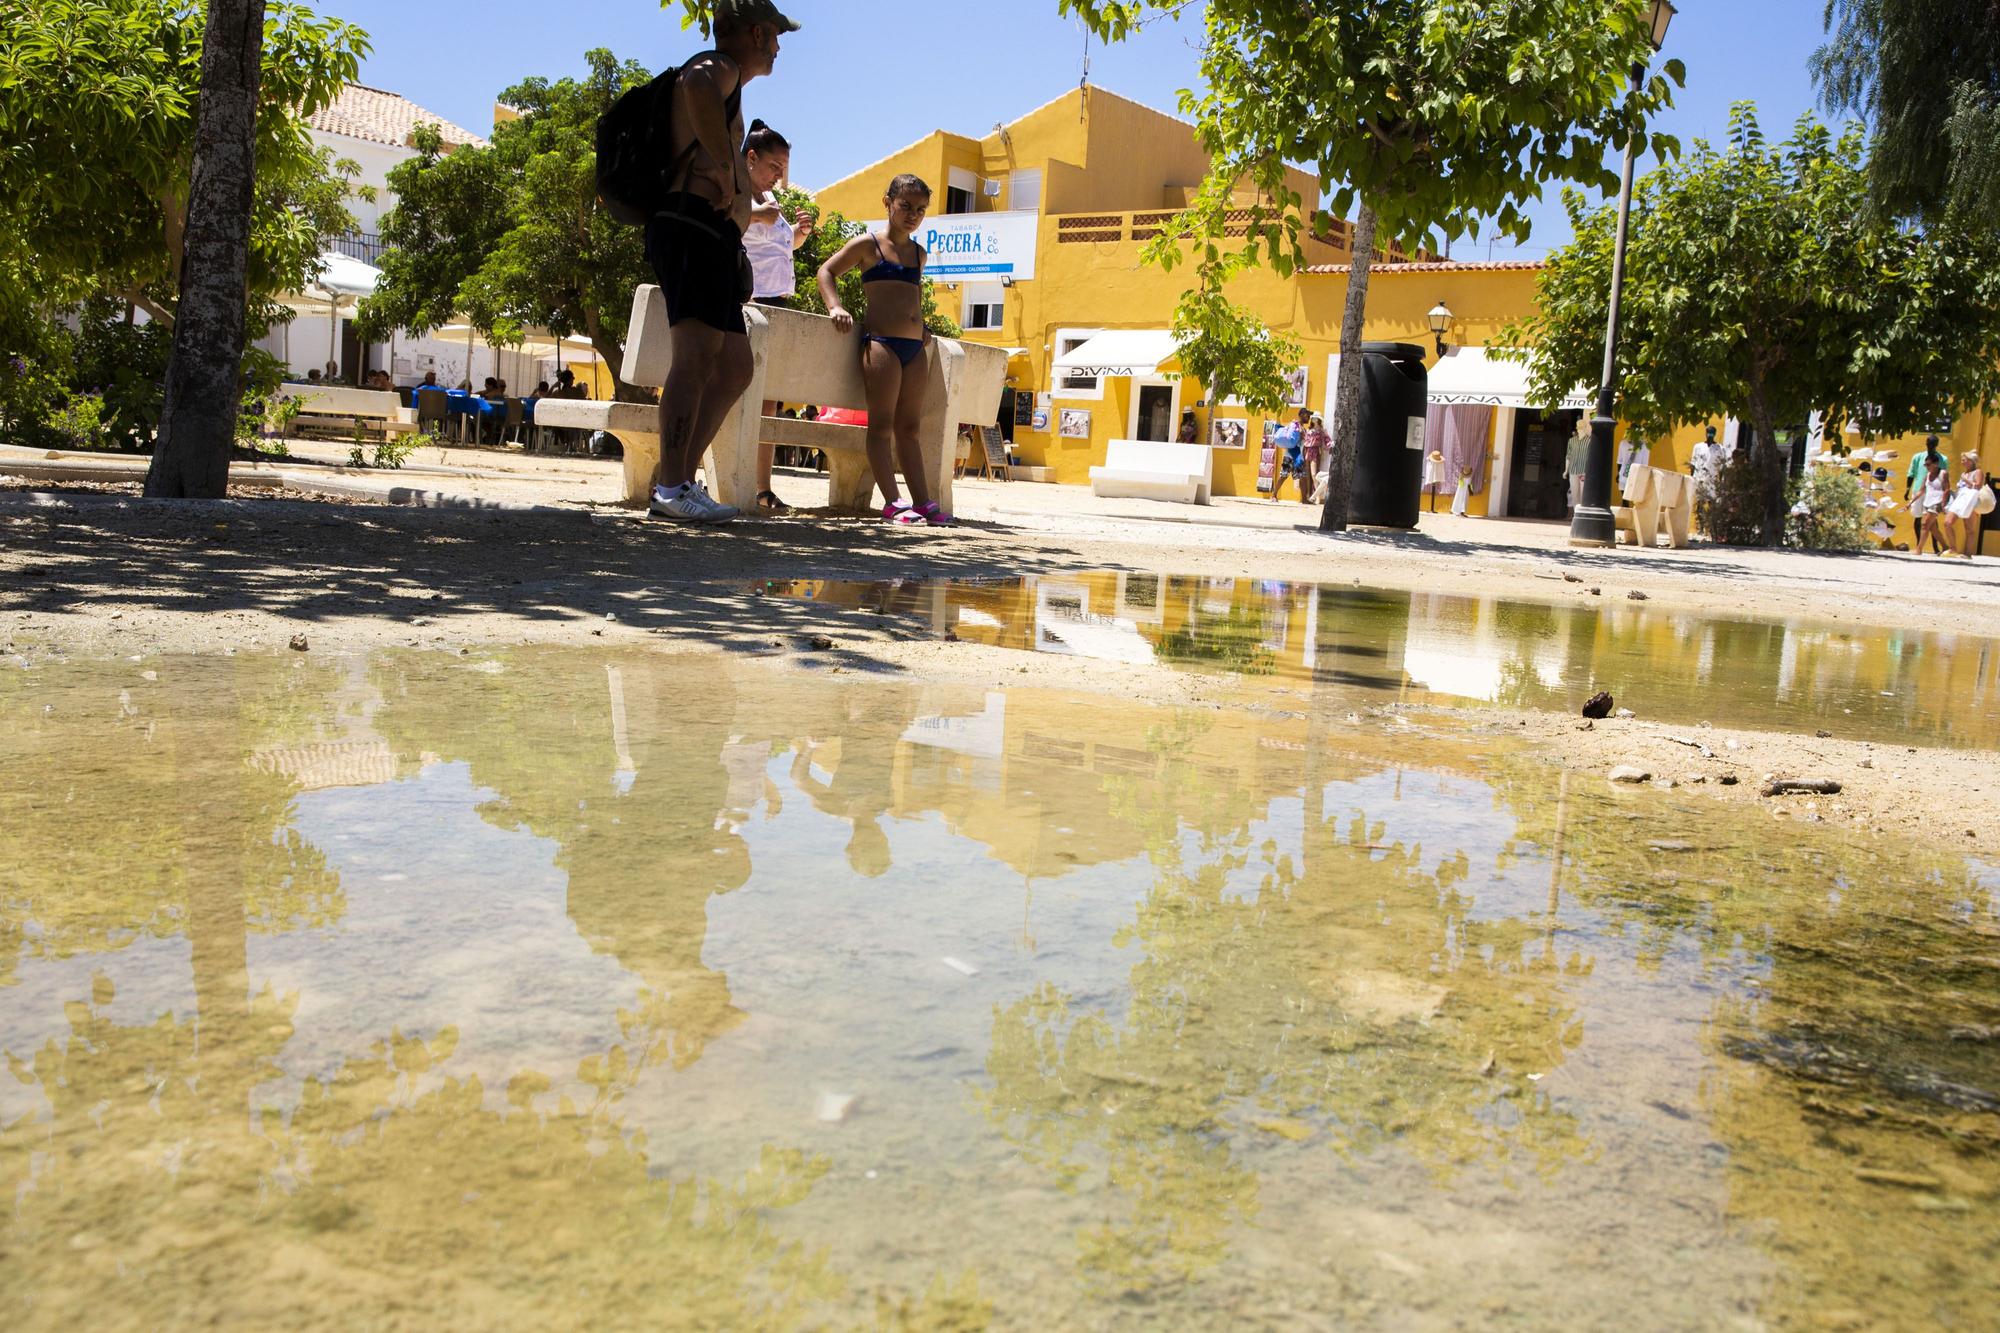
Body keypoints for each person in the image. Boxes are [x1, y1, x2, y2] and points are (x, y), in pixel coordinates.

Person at [645, 0, 798, 525]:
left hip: (710, 238)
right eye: (776, 36)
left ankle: (679, 481)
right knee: (696, 356)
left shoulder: (732, 84)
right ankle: (670, 486)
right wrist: (731, 175)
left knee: (734, 367)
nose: (778, 47)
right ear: (757, 32)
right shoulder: (721, 68)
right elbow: (694, 83)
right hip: (690, 225)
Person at [818, 173, 951, 525]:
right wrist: (836, 307)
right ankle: (893, 502)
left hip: (914, 349)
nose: (913, 214)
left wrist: (921, 325)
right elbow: (827, 271)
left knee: (910, 429)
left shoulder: (919, 254)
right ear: (887, 202)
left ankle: (922, 502)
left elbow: (914, 296)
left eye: (920, 209)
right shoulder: (868, 245)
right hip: (881, 347)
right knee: (880, 428)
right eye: (905, 205)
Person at [741, 119, 816, 515]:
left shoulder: (768, 201)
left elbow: (778, 250)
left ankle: (762, 488)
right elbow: (727, 226)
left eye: (783, 167)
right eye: (774, 165)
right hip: (750, 302)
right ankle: (730, 480)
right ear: (751, 158)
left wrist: (799, 234)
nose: (779, 174)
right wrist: (757, 215)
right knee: (743, 398)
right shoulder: (739, 195)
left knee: (768, 404)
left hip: (776, 303)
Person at [1940, 451, 1987, 559]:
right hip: (1960, 500)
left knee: (1969, 529)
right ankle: (1953, 548)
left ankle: (1968, 553)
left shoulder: (1978, 472)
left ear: (1971, 461)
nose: (1962, 462)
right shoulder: (1964, 473)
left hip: (1971, 502)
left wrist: (1966, 480)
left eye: (1964, 460)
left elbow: (1978, 486)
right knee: (1947, 522)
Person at [1916, 451, 1949, 555]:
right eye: (1925, 465)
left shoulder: (1943, 473)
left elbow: (1947, 489)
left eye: (1928, 464)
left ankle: (1919, 549)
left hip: (1937, 502)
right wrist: (1910, 503)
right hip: (1927, 502)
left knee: (1925, 524)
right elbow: (1921, 490)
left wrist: (1943, 503)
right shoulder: (1928, 475)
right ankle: (1945, 547)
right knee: (1932, 528)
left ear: (1936, 464)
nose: (1926, 467)